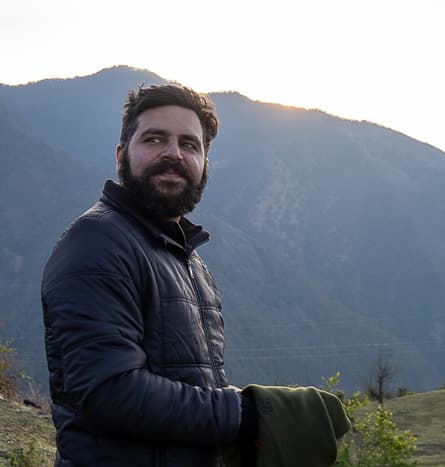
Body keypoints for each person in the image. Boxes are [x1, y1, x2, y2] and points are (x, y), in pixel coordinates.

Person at [42, 84, 349, 467]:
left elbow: (197, 387)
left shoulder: (186, 259)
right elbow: (108, 393)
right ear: (122, 155)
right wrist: (247, 413)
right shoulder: (97, 243)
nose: (173, 153)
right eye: (155, 139)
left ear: (204, 163)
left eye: (190, 145)